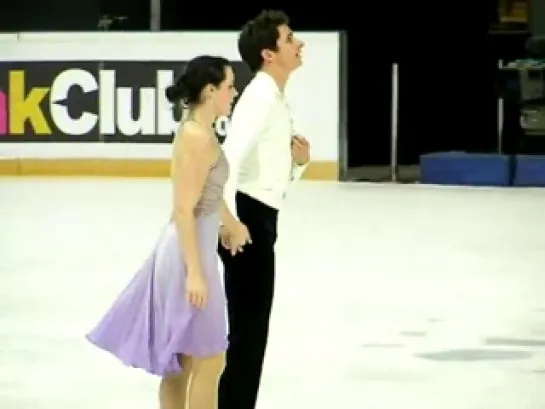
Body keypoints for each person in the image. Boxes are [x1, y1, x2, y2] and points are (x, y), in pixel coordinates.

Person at [85, 55, 252, 409]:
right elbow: (182, 208)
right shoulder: (197, 138)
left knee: (184, 362)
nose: (234, 93)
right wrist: (194, 272)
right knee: (209, 360)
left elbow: (205, 194)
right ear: (210, 91)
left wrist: (230, 223)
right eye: (229, 86)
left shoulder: (198, 131)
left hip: (189, 251)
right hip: (187, 257)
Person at [217, 10, 310, 409]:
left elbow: (271, 180)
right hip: (247, 222)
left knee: (252, 333)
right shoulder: (258, 96)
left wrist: (299, 164)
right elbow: (226, 161)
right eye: (290, 39)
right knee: (247, 335)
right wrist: (230, 222)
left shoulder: (273, 97)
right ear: (269, 54)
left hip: (260, 218)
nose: (299, 43)